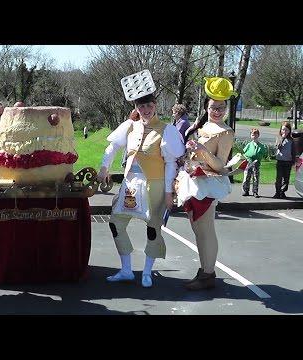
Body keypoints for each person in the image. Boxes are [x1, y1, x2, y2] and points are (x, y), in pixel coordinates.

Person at [97, 90, 185, 288]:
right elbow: (112, 148)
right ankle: (126, 270)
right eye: (141, 106)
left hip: (155, 184)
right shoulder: (129, 126)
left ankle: (147, 272)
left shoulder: (167, 130)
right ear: (136, 107)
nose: (145, 110)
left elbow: (171, 163)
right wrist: (104, 167)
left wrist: (169, 192)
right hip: (130, 184)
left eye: (149, 106)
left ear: (155, 105)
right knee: (116, 223)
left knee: (153, 228)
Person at [174, 76, 236, 290]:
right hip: (193, 181)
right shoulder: (202, 126)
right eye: (213, 107)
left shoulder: (226, 132)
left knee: (206, 229)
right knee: (197, 229)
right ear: (207, 107)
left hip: (209, 184)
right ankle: (204, 270)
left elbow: (221, 165)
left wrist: (203, 151)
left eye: (220, 108)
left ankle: (208, 274)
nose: (216, 111)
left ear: (226, 109)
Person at [242, 128, 267, 198]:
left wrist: (262, 155)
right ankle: (246, 190)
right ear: (250, 136)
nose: (254, 136)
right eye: (253, 135)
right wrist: (246, 158)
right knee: (247, 177)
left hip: (256, 164)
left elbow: (265, 154)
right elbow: (243, 153)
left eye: (256, 134)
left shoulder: (261, 146)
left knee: (255, 178)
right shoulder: (249, 145)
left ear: (258, 135)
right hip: (248, 163)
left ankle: (255, 191)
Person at [273, 121, 296, 199]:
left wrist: (293, 161)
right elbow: (277, 147)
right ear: (280, 130)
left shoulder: (291, 140)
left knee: (286, 179)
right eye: (283, 129)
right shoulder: (278, 138)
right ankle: (277, 192)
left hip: (288, 161)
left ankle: (282, 192)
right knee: (278, 178)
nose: (284, 131)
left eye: (286, 130)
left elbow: (293, 151)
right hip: (280, 161)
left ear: (289, 131)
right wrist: (282, 138)